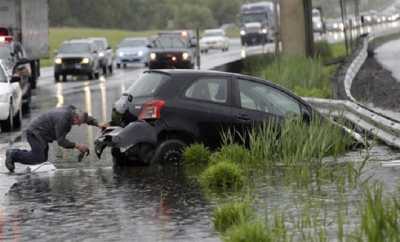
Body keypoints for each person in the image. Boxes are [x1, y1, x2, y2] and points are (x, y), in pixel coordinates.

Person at [4, 105, 107, 172]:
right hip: (35, 133)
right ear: (75, 118)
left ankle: (15, 153)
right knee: (38, 159)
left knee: (42, 162)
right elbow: (61, 141)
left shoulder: (74, 111)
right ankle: (13, 154)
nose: (79, 125)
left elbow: (86, 118)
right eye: (78, 123)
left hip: (42, 135)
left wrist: (98, 124)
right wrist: (78, 146)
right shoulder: (63, 120)